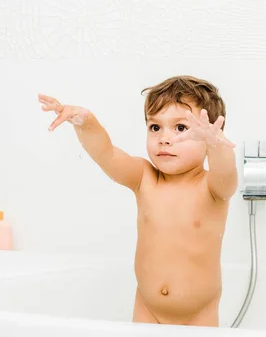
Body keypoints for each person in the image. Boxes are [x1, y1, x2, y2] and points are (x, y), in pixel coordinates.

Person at [38, 75, 238, 326]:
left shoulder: (213, 187)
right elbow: (107, 153)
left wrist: (217, 144)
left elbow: (226, 173)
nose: (164, 138)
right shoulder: (144, 177)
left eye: (181, 128)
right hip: (148, 310)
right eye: (155, 127)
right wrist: (85, 122)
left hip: (199, 315)